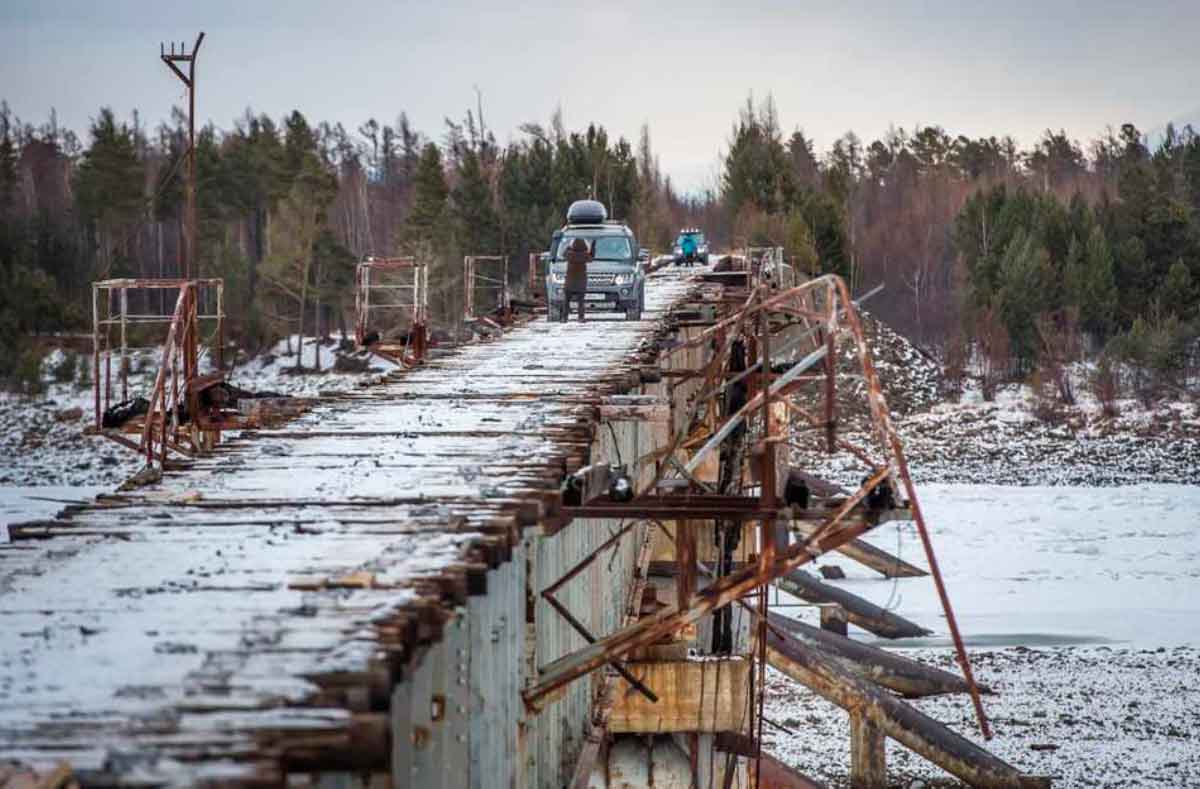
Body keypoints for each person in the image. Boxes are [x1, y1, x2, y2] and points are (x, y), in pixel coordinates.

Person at [563, 237, 591, 322]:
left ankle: (564, 318)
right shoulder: (585, 255)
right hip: (581, 282)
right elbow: (591, 258)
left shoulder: (569, 254)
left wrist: (569, 247)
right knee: (581, 302)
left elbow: (563, 254)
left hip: (569, 282)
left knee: (566, 301)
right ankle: (580, 317)